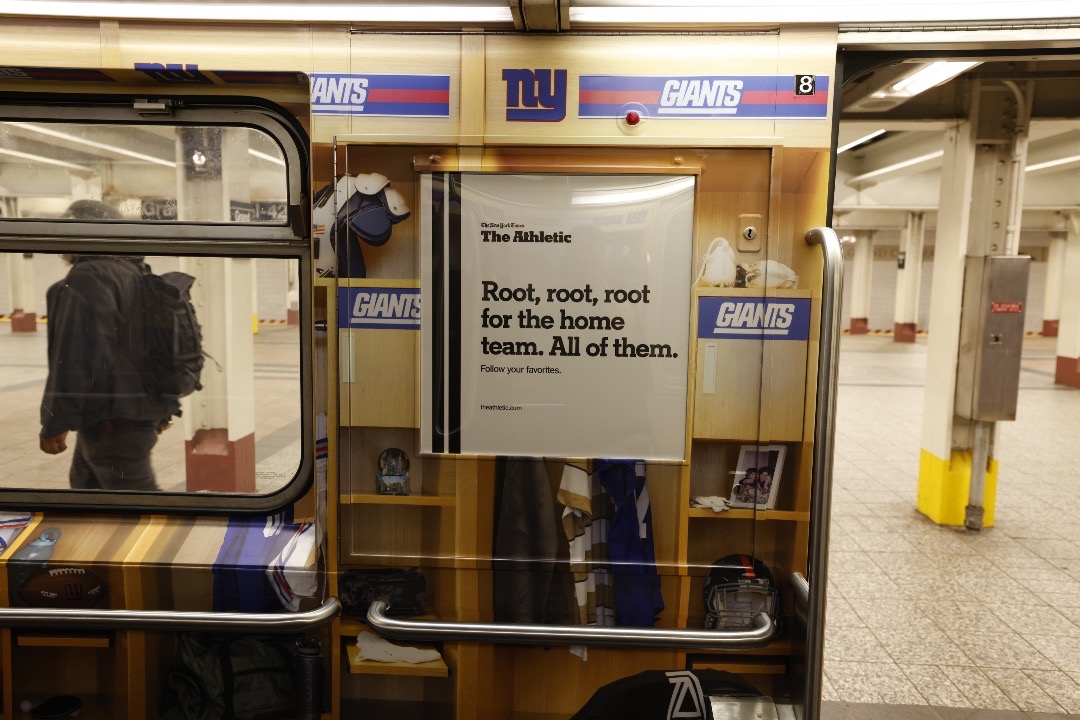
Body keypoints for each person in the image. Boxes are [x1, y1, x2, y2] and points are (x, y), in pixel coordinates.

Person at [38, 199, 178, 491]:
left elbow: (77, 357)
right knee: (87, 491)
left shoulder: (89, 276)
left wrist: (56, 420)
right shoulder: (134, 272)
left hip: (114, 422)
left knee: (139, 507)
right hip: (123, 415)